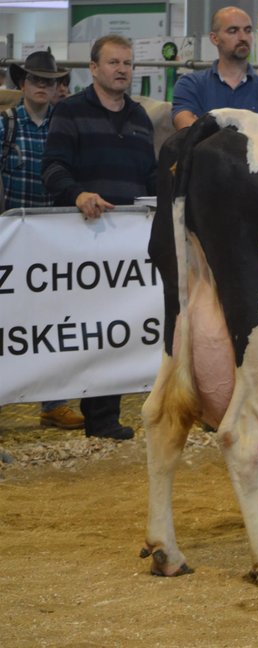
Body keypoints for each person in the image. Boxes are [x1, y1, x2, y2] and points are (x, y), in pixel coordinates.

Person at [41, 35, 156, 441]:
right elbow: (52, 169)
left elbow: (150, 174)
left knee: (119, 327)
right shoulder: (70, 112)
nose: (122, 69)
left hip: (128, 243)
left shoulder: (141, 118)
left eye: (127, 62)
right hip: (81, 240)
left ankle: (104, 418)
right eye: (113, 62)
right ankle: (72, 409)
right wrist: (78, 194)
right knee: (85, 328)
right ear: (93, 69)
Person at [2, 52, 84, 430]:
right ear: (22, 84)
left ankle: (54, 403)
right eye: (36, 79)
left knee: (56, 319)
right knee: (7, 321)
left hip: (53, 235)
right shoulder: (5, 124)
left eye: (50, 82)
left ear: (57, 88)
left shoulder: (64, 125)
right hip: (10, 234)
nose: (43, 86)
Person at [171, 6, 258, 129]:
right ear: (214, 38)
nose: (243, 37)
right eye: (233, 31)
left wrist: (206, 131)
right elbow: (185, 128)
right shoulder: (190, 85)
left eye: (247, 30)